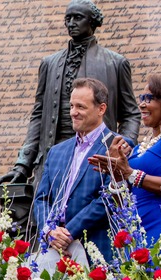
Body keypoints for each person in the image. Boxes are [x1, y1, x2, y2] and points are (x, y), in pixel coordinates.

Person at [0, 0, 141, 227]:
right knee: (43, 224)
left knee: (89, 226)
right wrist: (22, 164)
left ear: (92, 22)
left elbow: (132, 114)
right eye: (68, 18)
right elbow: (38, 115)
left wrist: (122, 145)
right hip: (53, 156)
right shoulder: (49, 63)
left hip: (95, 158)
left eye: (78, 18)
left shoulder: (116, 63)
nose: (71, 23)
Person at [89, 73, 161, 246]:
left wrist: (130, 173)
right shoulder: (139, 148)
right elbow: (123, 203)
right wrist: (116, 175)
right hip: (138, 231)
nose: (141, 104)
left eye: (149, 98)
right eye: (141, 98)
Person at [33, 78, 127, 263]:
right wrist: (50, 231)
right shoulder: (57, 151)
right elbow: (42, 198)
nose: (73, 113)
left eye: (81, 107)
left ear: (101, 109)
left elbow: (109, 198)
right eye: (71, 106)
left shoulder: (116, 145)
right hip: (54, 250)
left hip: (94, 249)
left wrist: (69, 232)